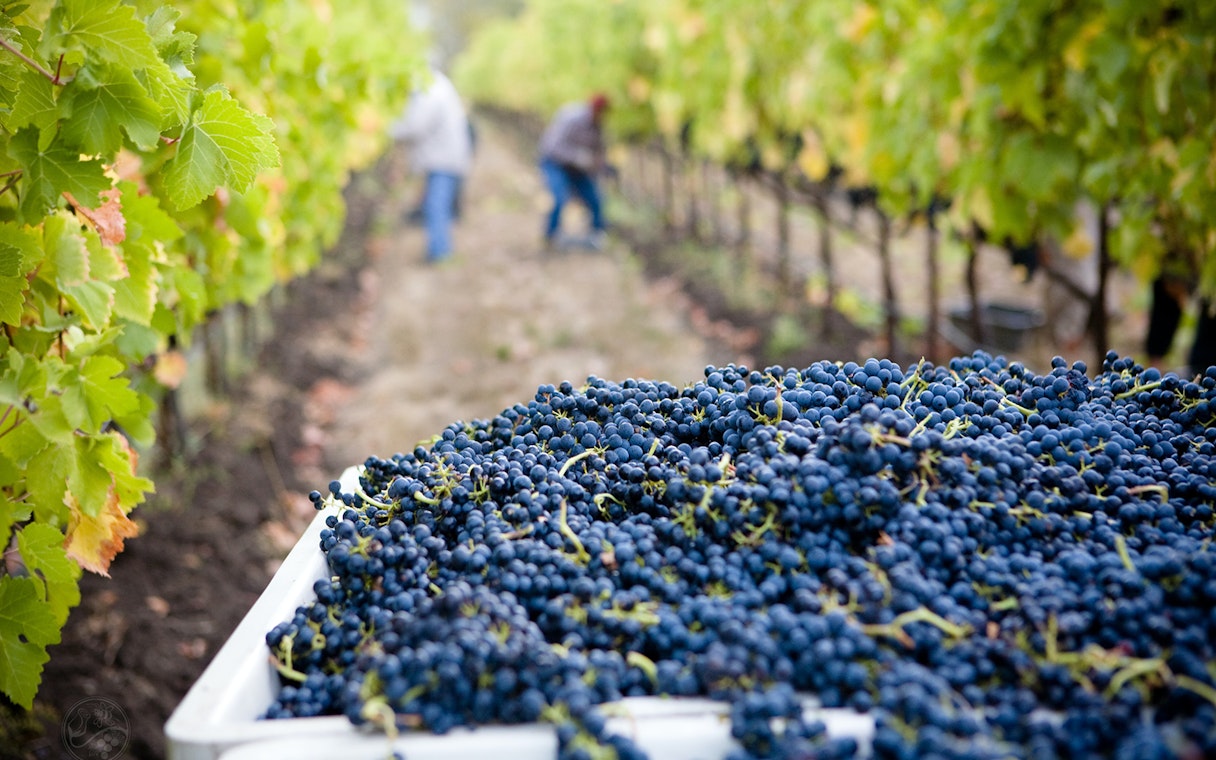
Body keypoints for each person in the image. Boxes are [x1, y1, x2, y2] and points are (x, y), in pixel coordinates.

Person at [390, 70, 472, 264]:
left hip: (443, 159)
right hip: (446, 156)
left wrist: (388, 129)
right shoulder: (439, 86)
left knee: (436, 205)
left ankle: (440, 252)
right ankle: (440, 250)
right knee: (437, 204)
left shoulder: (432, 90)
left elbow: (415, 125)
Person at [538, 93, 610, 251]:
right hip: (555, 163)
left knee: (595, 198)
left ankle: (597, 235)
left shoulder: (598, 127)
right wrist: (577, 157)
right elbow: (552, 146)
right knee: (559, 197)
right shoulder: (571, 118)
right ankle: (550, 236)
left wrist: (603, 167)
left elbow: (598, 154)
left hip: (577, 169)